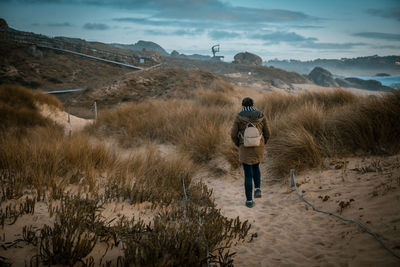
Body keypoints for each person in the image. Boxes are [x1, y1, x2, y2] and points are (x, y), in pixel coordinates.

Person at [231, 97, 270, 208]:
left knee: (248, 174)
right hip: (259, 146)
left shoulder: (239, 117)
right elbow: (268, 133)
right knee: (256, 167)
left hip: (245, 147)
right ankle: (257, 189)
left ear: (243, 105)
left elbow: (233, 134)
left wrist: (239, 144)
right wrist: (262, 142)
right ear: (253, 104)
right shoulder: (261, 115)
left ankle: (249, 201)